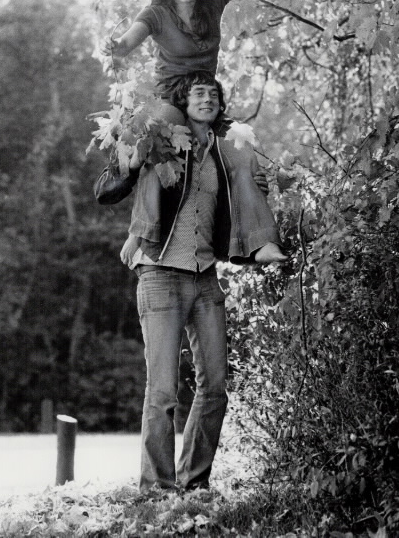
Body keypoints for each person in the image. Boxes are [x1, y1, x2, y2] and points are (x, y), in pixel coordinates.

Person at [94, 74, 282, 492]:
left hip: (204, 277)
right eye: (198, 93)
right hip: (160, 274)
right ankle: (158, 488)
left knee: (214, 386)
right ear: (182, 101)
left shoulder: (226, 153)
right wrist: (127, 167)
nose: (207, 99)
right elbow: (106, 189)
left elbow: (241, 203)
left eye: (214, 94)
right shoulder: (158, 140)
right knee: (163, 393)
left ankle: (194, 483)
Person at [100, 0, 286, 264]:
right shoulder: (156, 14)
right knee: (159, 137)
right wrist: (115, 47)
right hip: (171, 99)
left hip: (204, 97)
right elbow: (128, 41)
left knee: (242, 152)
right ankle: (141, 231)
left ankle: (259, 243)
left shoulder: (213, 2)